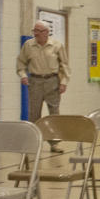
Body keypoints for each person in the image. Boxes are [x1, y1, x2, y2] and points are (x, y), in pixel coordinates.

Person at [16, 20, 69, 152]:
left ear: (46, 32)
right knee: (34, 114)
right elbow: (21, 63)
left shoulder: (57, 45)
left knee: (54, 113)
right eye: (35, 31)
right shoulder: (28, 45)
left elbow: (65, 65)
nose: (36, 34)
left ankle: (54, 143)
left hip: (52, 81)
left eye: (39, 31)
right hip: (35, 81)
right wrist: (23, 75)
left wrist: (63, 82)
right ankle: (34, 142)